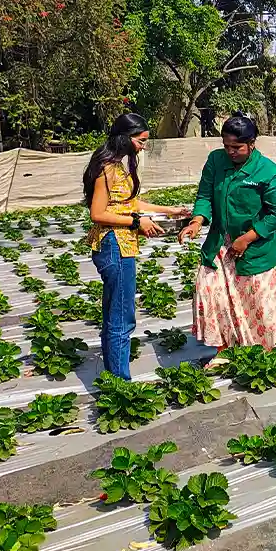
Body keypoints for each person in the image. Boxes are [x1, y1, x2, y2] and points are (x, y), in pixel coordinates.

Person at [84, 113, 188, 380]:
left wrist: (169, 211)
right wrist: (135, 223)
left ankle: (114, 375)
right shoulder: (107, 169)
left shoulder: (120, 166)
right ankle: (120, 384)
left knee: (116, 313)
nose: (143, 146)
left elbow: (131, 203)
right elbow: (97, 213)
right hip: (113, 246)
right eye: (141, 140)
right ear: (125, 138)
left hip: (122, 245)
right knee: (121, 317)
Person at [178, 113, 276, 351]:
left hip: (254, 245)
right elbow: (205, 194)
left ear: (251, 144)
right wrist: (197, 221)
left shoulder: (267, 172)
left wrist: (247, 238)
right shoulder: (216, 161)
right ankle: (224, 347)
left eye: (237, 147)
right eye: (226, 146)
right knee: (213, 292)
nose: (231, 152)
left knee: (256, 300)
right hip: (220, 241)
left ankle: (267, 351)